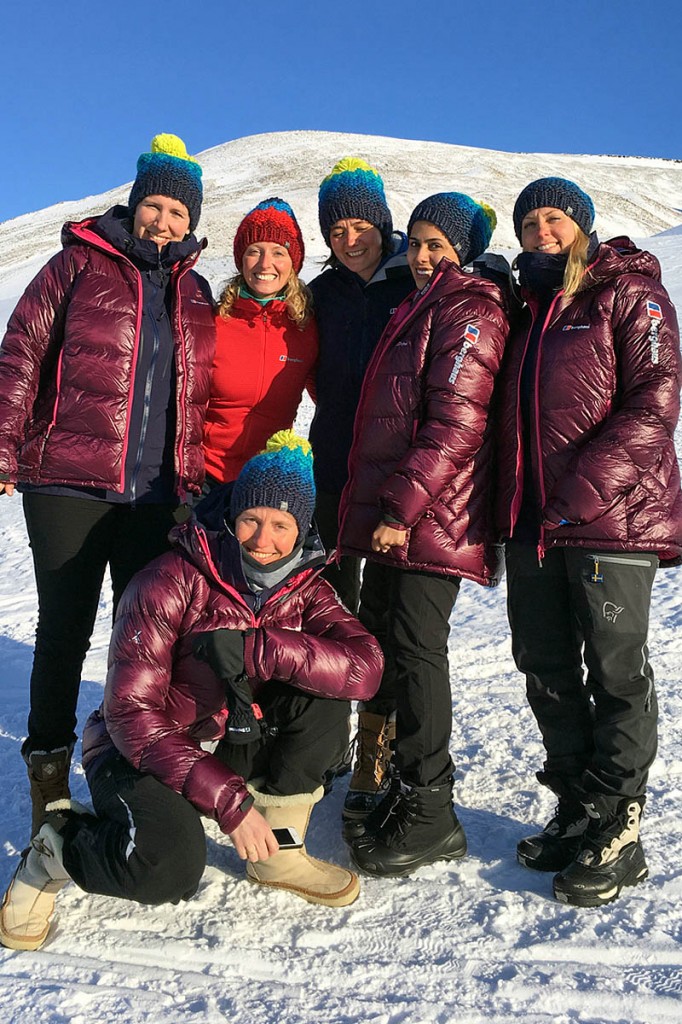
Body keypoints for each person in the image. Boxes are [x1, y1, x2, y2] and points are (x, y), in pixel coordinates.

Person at [0, 431, 384, 952]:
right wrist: (229, 802)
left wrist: (259, 650)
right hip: (141, 751)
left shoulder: (306, 588)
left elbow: (365, 669)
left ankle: (278, 851)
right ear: (231, 516)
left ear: (302, 529)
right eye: (251, 519)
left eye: (281, 525)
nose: (262, 539)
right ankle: (56, 849)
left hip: (227, 740)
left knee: (325, 687)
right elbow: (130, 715)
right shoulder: (169, 580)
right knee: (168, 869)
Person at [0, 134, 216, 837]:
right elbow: (21, 353)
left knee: (142, 640)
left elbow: (202, 396)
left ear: (191, 221)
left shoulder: (197, 293)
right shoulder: (76, 266)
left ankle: (129, 763)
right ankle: (49, 778)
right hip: (66, 480)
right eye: (154, 205)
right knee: (63, 629)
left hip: (155, 494)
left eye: (177, 213)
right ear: (134, 204)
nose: (163, 222)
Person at [496, 177, 682, 907]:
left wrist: (582, 493)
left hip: (609, 520)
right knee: (543, 663)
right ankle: (576, 805)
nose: (541, 230)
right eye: (529, 221)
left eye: (554, 218)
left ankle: (618, 825)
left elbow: (656, 397)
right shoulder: (527, 310)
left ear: (582, 224)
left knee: (614, 670)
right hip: (534, 525)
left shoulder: (627, 294)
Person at [338, 192, 509, 876]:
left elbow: (455, 424)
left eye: (439, 244)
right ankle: (403, 785)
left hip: (430, 518)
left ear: (463, 250)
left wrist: (399, 510)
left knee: (416, 649)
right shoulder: (423, 305)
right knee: (388, 637)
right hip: (407, 515)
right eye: (416, 243)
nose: (424, 256)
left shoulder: (470, 309)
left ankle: (432, 808)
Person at [308, 156, 415, 818]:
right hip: (332, 473)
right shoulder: (321, 294)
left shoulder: (415, 281)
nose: (351, 237)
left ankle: (379, 744)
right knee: (327, 611)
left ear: (383, 222)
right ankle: (323, 744)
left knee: (390, 617)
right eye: (338, 227)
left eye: (361, 223)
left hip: (399, 477)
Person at [202, 197, 318, 486]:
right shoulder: (212, 322)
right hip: (202, 478)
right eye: (255, 251)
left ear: (294, 263)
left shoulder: (307, 329)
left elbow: (331, 400)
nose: (266, 264)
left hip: (266, 480)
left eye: (278, 252)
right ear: (242, 259)